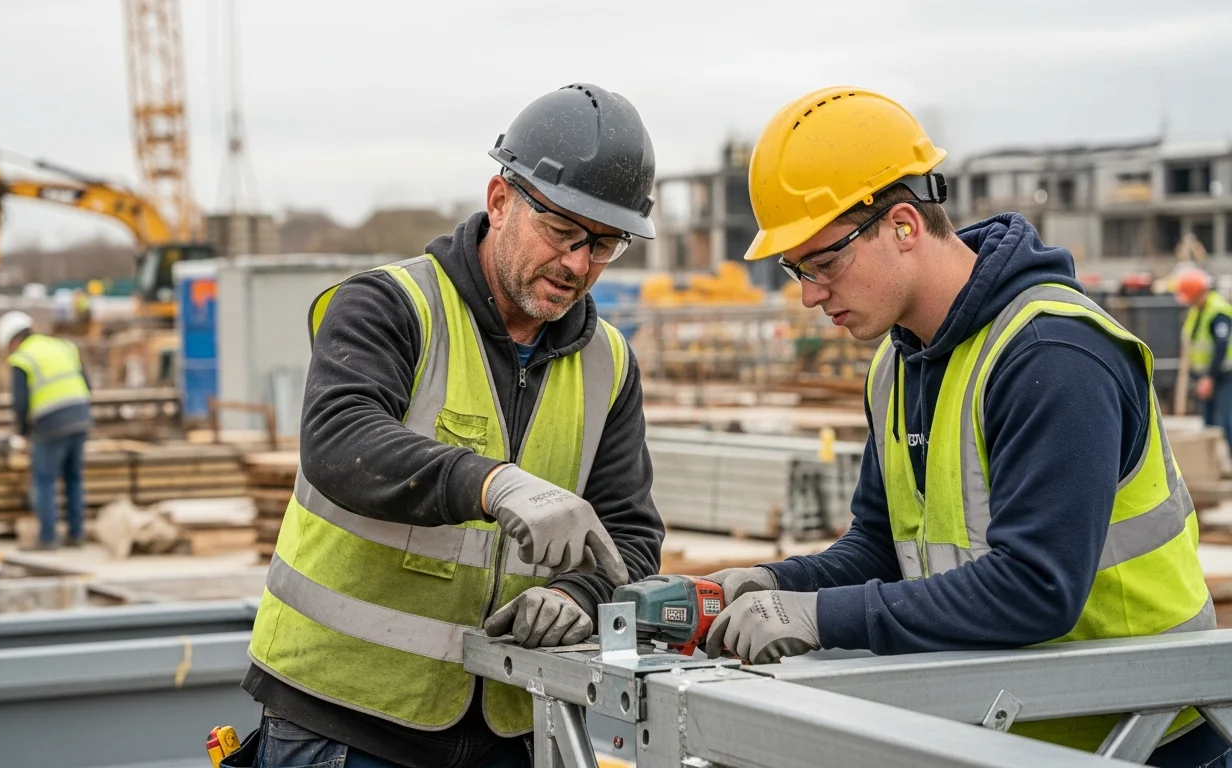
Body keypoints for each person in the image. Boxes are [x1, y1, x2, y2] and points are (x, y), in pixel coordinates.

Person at [698, 87, 1222, 765]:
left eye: (825, 263)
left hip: (1146, 738)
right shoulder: (896, 365)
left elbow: (1037, 589)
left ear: (905, 226)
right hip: (1005, 733)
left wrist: (820, 618)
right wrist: (776, 584)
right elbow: (883, 551)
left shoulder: (1052, 357)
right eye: (796, 269)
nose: (809, 294)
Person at [231, 84, 665, 768]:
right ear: (500, 201)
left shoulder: (608, 363)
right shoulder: (389, 306)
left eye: (605, 245)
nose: (579, 265)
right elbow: (340, 442)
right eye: (562, 232)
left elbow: (631, 536)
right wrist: (493, 484)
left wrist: (577, 593)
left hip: (508, 727)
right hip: (345, 723)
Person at [0, 310, 92, 551]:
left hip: (51, 422)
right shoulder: (63, 346)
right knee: (74, 478)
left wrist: (23, 433)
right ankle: (76, 534)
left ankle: (48, 538)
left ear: (13, 341)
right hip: (80, 415)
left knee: (45, 480)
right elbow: (87, 384)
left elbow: (20, 403)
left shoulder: (23, 359)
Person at [1174, 267, 1232, 458]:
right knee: (1209, 423)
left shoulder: (1218, 311)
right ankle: (1212, 465)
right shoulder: (1197, 311)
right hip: (1206, 377)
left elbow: (1221, 348)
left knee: (1226, 420)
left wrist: (1208, 377)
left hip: (1223, 375)